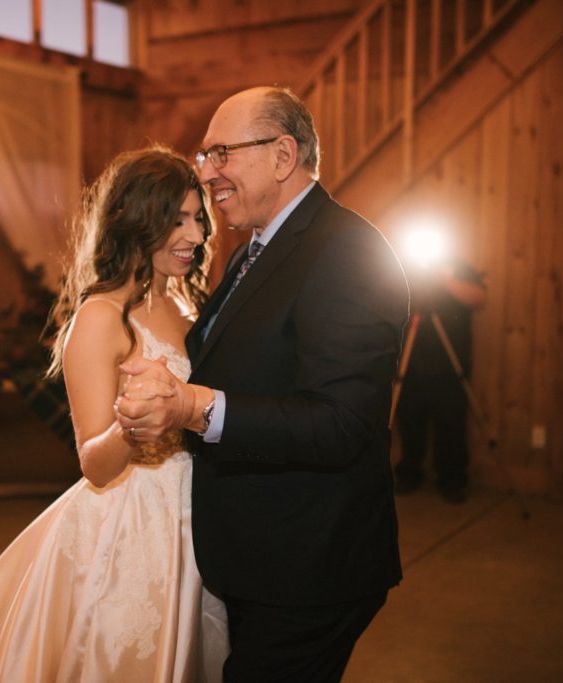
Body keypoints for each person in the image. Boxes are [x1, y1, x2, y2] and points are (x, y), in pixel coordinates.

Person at [116, 86, 410, 682]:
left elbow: (340, 423)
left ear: (282, 156)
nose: (206, 173)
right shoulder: (252, 251)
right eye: (204, 156)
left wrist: (194, 406)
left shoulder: (347, 250)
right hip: (257, 559)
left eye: (221, 153)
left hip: (307, 568)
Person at [0, 146, 229, 682]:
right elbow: (94, 464)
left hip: (200, 511)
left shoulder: (185, 305)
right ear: (137, 220)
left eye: (199, 219)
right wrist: (136, 420)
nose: (196, 236)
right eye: (177, 220)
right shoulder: (100, 317)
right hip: (131, 524)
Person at [394, 257, 486, 504]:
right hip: (411, 363)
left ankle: (452, 479)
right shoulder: (403, 264)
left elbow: (478, 298)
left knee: (451, 425)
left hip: (449, 363)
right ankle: (409, 473)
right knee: (410, 422)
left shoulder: (461, 267)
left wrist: (443, 280)